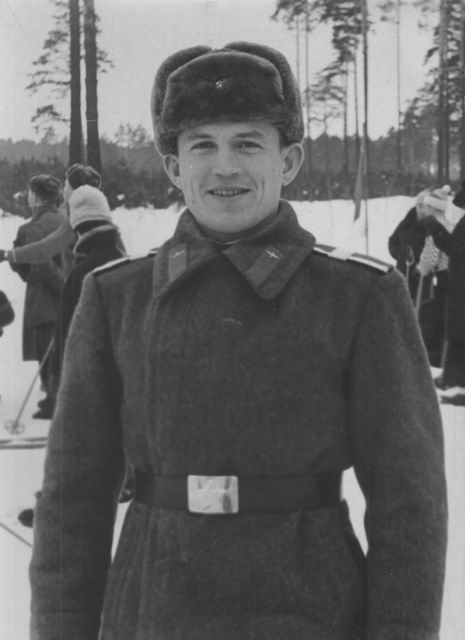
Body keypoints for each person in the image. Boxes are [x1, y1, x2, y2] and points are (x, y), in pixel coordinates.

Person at [30, 43, 447, 640]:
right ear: (173, 167)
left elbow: (410, 508)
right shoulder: (115, 298)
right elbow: (72, 503)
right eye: (202, 145)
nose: (224, 166)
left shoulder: (359, 297)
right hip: (151, 615)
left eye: (248, 143)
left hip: (313, 616)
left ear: (289, 160)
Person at [7, 175, 69, 420]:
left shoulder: (31, 229)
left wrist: (29, 275)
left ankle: (54, 400)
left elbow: (33, 263)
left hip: (44, 298)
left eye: (30, 193)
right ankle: (58, 397)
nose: (28, 197)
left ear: (37, 196)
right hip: (70, 294)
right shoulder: (67, 221)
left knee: (46, 348)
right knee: (63, 347)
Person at [0, 164, 101, 268]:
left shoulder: (75, 221)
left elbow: (43, 252)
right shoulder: (92, 214)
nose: (63, 191)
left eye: (66, 186)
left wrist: (6, 255)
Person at [421, 182, 465, 405]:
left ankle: (458, 382)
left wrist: (435, 229)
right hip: (457, 284)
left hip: (460, 284)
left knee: (459, 331)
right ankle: (453, 378)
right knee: (457, 331)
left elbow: (454, 247)